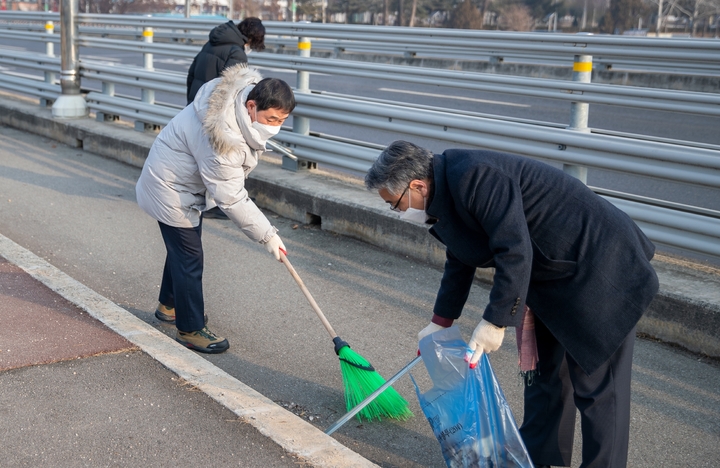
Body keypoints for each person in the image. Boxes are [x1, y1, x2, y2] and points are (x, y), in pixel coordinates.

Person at [365, 140, 659, 468]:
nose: (399, 212)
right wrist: (441, 322)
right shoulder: (446, 193)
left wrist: (496, 320)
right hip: (551, 277)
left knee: (598, 391)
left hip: (602, 266)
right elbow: (460, 257)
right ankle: (536, 460)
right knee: (545, 377)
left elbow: (514, 249)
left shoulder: (475, 177)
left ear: (417, 186)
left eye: (396, 204)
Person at [136, 64, 295, 354]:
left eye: (282, 121)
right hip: (170, 188)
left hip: (178, 182)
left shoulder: (235, 104)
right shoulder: (223, 139)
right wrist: (267, 235)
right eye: (271, 119)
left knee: (183, 251)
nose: (275, 127)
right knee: (189, 256)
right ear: (251, 105)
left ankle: (169, 306)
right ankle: (190, 328)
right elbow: (232, 198)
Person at [186, 17, 267, 220]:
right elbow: (234, 90)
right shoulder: (236, 52)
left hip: (198, 102)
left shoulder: (213, 41)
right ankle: (217, 203)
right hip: (216, 111)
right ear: (252, 38)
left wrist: (191, 101)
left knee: (201, 153)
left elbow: (192, 71)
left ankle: (203, 198)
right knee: (219, 155)